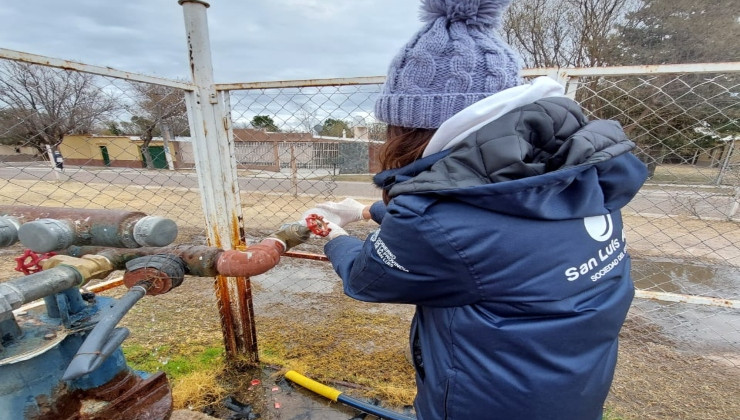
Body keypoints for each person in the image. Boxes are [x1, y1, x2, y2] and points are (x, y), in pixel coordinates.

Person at [303, 0, 648, 419]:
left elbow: (368, 278)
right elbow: (490, 235)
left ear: (413, 126)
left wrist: (335, 236)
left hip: (485, 399)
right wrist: (365, 211)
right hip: (575, 385)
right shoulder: (568, 169)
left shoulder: (436, 217)